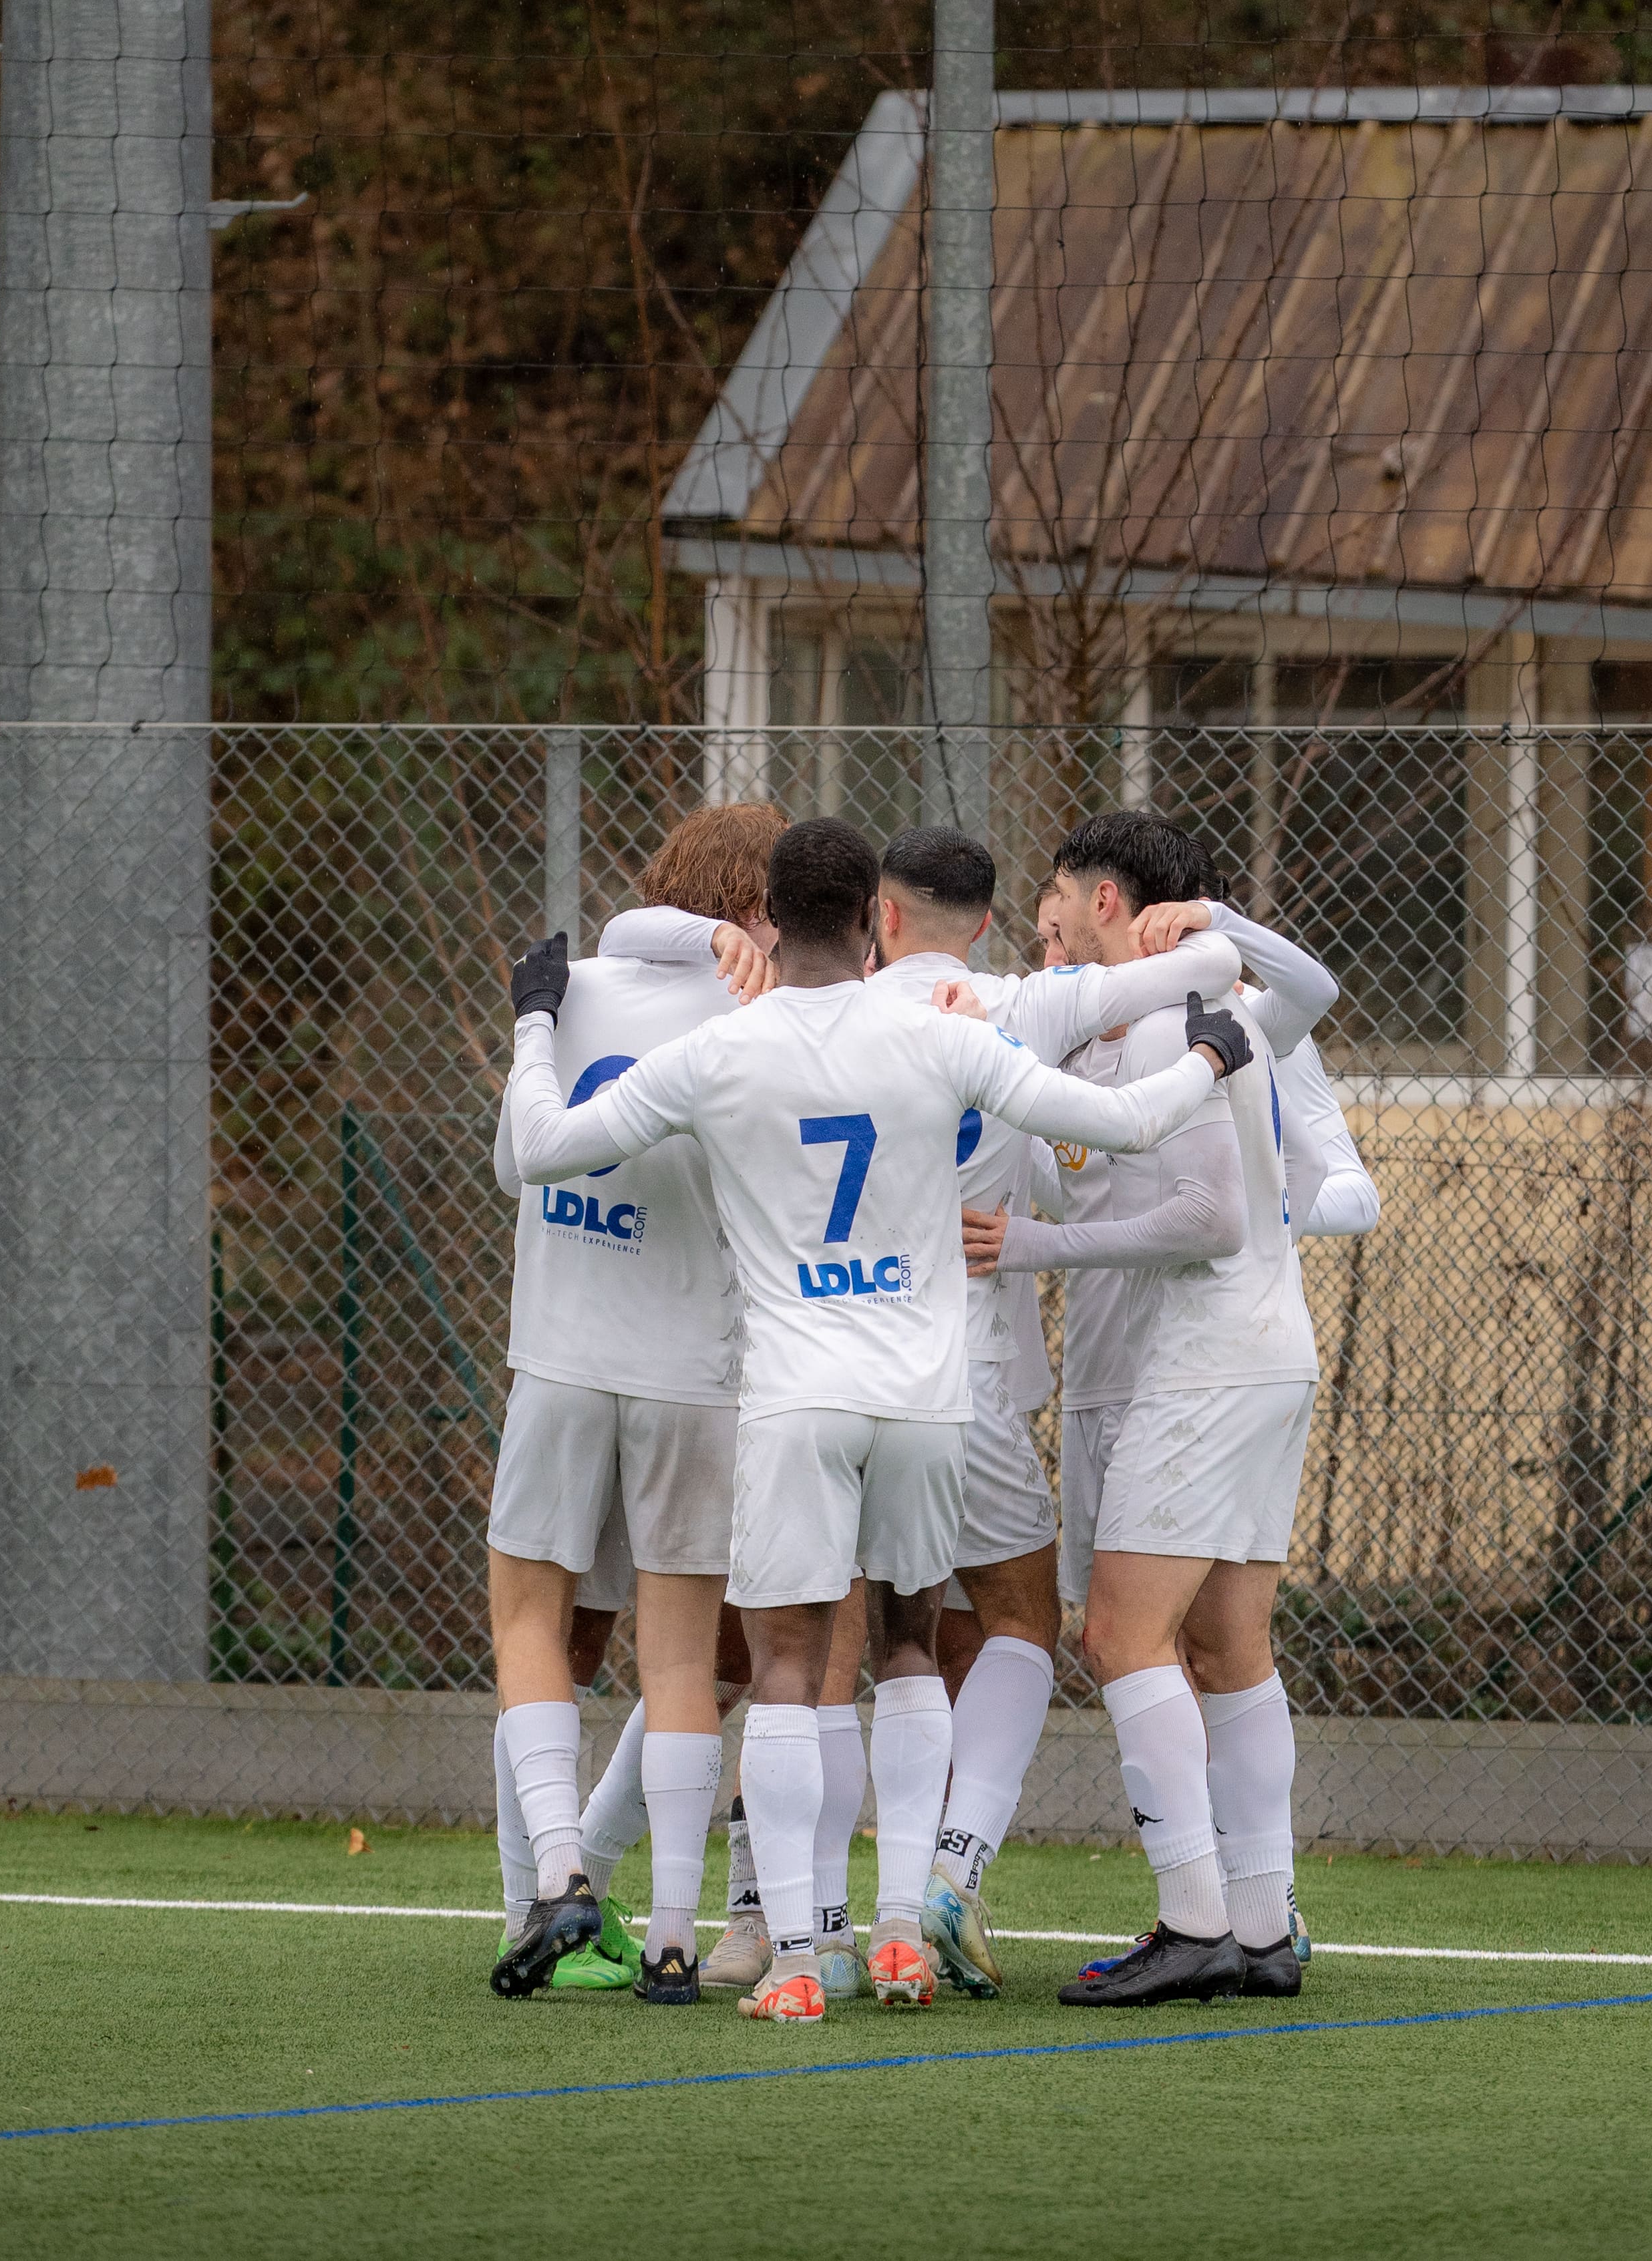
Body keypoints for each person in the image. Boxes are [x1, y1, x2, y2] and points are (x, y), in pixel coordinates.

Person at [502, 816, 1252, 2022]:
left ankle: (797, 1955)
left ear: (775, 927)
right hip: (926, 1398)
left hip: (796, 1399)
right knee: (912, 1653)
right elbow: (1122, 1124)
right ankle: (903, 1928)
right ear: (869, 927)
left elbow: (541, 1148)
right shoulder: (935, 1031)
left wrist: (539, 1021)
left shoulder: (723, 1051)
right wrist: (1210, 1059)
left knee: (795, 1668)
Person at [962, 811, 1341, 2005]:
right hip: (1228, 1364)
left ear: (1109, 899)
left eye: (1056, 901)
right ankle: (1264, 1923)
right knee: (1226, 1648)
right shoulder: (1103, 1029)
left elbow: (1208, 1216)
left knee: (1119, 1637)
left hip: (1209, 1365)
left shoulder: (1186, 1018)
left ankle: (1193, 1921)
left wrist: (1035, 1244)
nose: (1043, 926)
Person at [486, 802, 781, 2006]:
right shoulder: (754, 1010)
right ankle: (668, 1937)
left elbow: (521, 1160)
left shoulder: (575, 989)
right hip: (695, 1373)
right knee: (679, 1660)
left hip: (560, 1355)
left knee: (528, 1623)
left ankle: (558, 1878)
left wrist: (534, 1024)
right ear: (754, 907)